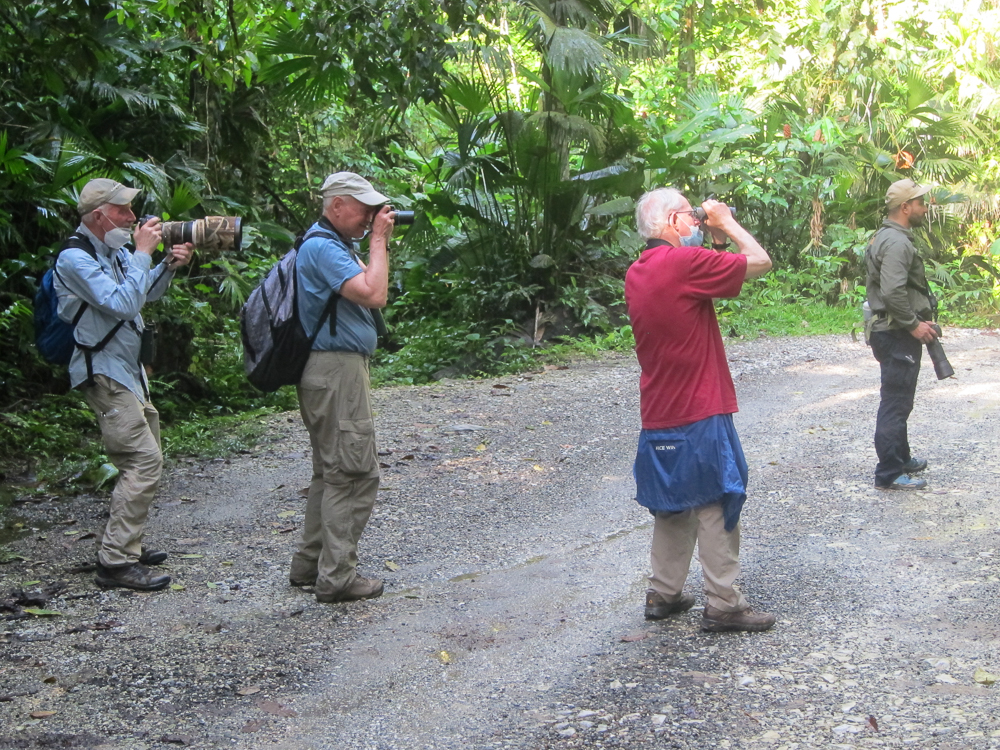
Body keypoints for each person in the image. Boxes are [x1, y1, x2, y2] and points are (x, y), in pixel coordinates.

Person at [625, 188, 775, 633]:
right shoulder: (684, 264)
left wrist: (715, 242)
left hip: (659, 409)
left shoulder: (639, 270)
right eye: (691, 216)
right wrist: (725, 221)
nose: (697, 222)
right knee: (716, 500)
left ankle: (663, 592)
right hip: (700, 405)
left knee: (672, 503)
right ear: (674, 221)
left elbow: (706, 284)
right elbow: (761, 262)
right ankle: (724, 603)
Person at [54, 178, 193, 591]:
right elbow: (121, 303)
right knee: (142, 460)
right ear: (99, 216)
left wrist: (165, 265)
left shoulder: (111, 252)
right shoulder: (74, 258)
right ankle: (115, 562)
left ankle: (128, 545)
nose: (132, 218)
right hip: (104, 372)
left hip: (128, 371)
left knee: (148, 456)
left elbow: (141, 296)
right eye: (123, 211)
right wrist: (143, 253)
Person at [287, 172, 396, 604]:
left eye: (374, 210)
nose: (370, 216)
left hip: (330, 369)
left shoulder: (329, 244)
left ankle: (310, 565)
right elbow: (374, 293)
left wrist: (372, 241)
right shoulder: (323, 247)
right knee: (354, 473)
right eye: (363, 208)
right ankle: (336, 578)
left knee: (330, 471)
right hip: (335, 371)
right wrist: (379, 241)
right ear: (336, 206)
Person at [865, 178, 936, 490]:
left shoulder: (886, 236)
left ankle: (902, 458)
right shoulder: (896, 243)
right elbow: (893, 291)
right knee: (895, 401)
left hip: (890, 330)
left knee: (901, 398)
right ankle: (889, 473)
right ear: (905, 207)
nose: (925, 208)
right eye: (920, 203)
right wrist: (913, 324)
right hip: (896, 332)